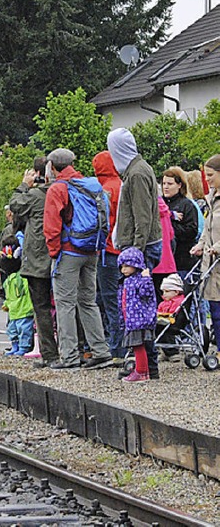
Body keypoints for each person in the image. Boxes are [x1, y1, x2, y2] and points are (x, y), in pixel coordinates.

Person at [42, 148, 112, 369]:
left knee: (65, 304)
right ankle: (100, 350)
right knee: (88, 302)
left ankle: (70, 357)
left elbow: (51, 226)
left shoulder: (58, 188)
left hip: (69, 252)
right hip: (91, 250)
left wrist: (54, 252)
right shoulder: (88, 184)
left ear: (52, 167)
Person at [107, 127, 162, 380]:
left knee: (139, 311)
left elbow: (143, 215)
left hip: (142, 248)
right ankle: (145, 365)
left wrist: (135, 254)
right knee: (139, 309)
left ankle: (147, 367)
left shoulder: (137, 174)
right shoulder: (137, 170)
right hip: (142, 245)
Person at [9, 156, 60, 368]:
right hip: (63, 257)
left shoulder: (35, 195)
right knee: (67, 306)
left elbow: (15, 206)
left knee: (41, 307)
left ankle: (50, 354)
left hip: (39, 260)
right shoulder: (64, 190)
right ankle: (76, 350)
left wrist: (23, 184)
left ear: (38, 174)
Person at [92, 150, 124, 362]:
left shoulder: (104, 189)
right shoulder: (122, 184)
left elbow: (101, 222)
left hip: (106, 251)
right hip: (121, 250)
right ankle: (117, 345)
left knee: (107, 300)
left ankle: (116, 348)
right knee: (117, 300)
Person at [191, 154, 220, 358]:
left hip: (217, 258)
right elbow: (208, 228)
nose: (206, 179)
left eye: (210, 175)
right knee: (215, 310)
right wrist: (201, 245)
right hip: (211, 264)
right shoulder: (211, 199)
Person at [117, 247, 157, 382]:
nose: (124, 270)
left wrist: (146, 279)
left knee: (138, 346)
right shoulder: (126, 280)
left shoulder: (140, 279)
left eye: (127, 266)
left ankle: (141, 371)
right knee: (137, 346)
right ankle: (143, 372)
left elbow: (147, 294)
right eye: (122, 267)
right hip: (131, 319)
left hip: (138, 320)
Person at [0, 236, 35, 356]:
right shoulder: (9, 280)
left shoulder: (21, 278)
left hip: (24, 310)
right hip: (14, 311)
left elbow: (28, 292)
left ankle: (23, 347)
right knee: (12, 330)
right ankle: (15, 346)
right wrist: (6, 304)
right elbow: (9, 296)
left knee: (24, 329)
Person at [162, 166, 199, 276]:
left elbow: (192, 231)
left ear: (179, 185)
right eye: (164, 183)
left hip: (181, 261)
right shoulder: (159, 203)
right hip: (162, 261)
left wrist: (170, 226)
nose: (166, 187)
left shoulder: (187, 205)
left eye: (170, 184)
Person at [155, 272, 186, 360]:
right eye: (163, 291)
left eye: (167, 291)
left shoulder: (178, 302)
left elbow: (174, 313)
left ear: (176, 292)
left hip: (174, 321)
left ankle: (172, 351)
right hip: (163, 320)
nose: (164, 294)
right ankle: (165, 351)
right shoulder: (163, 303)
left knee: (164, 330)